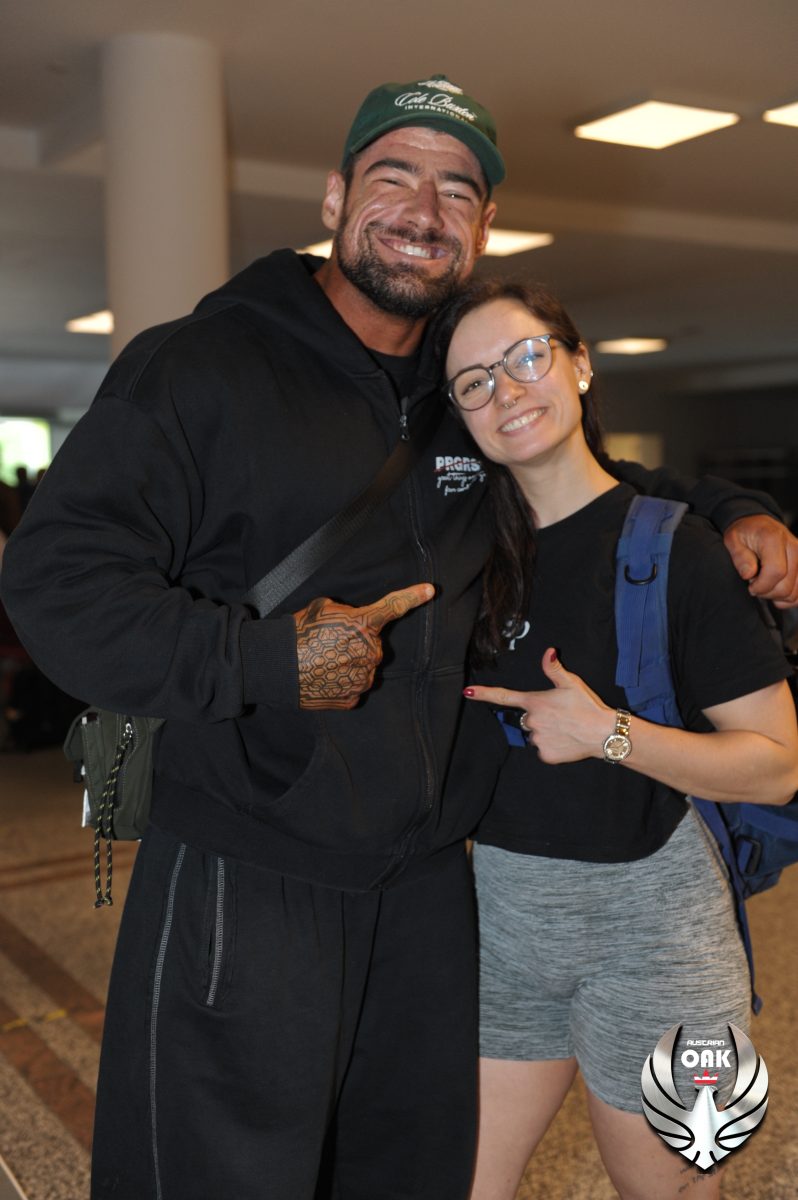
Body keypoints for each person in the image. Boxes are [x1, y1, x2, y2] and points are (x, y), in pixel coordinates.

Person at [0, 75, 796, 1200]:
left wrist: (731, 509)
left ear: (484, 227)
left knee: (407, 1171)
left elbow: (583, 477)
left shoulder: (458, 385)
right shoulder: (202, 367)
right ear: (335, 198)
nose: (425, 209)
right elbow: (56, 579)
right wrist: (265, 661)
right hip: (252, 865)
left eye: (457, 190)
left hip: (426, 890)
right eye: (395, 176)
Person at [435, 278, 798, 1200]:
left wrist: (611, 735)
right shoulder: (468, 557)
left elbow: (776, 767)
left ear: (580, 365)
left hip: (660, 935)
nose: (507, 391)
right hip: (504, 921)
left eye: (527, 357)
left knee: (673, 1189)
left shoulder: (682, 550)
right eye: (474, 381)